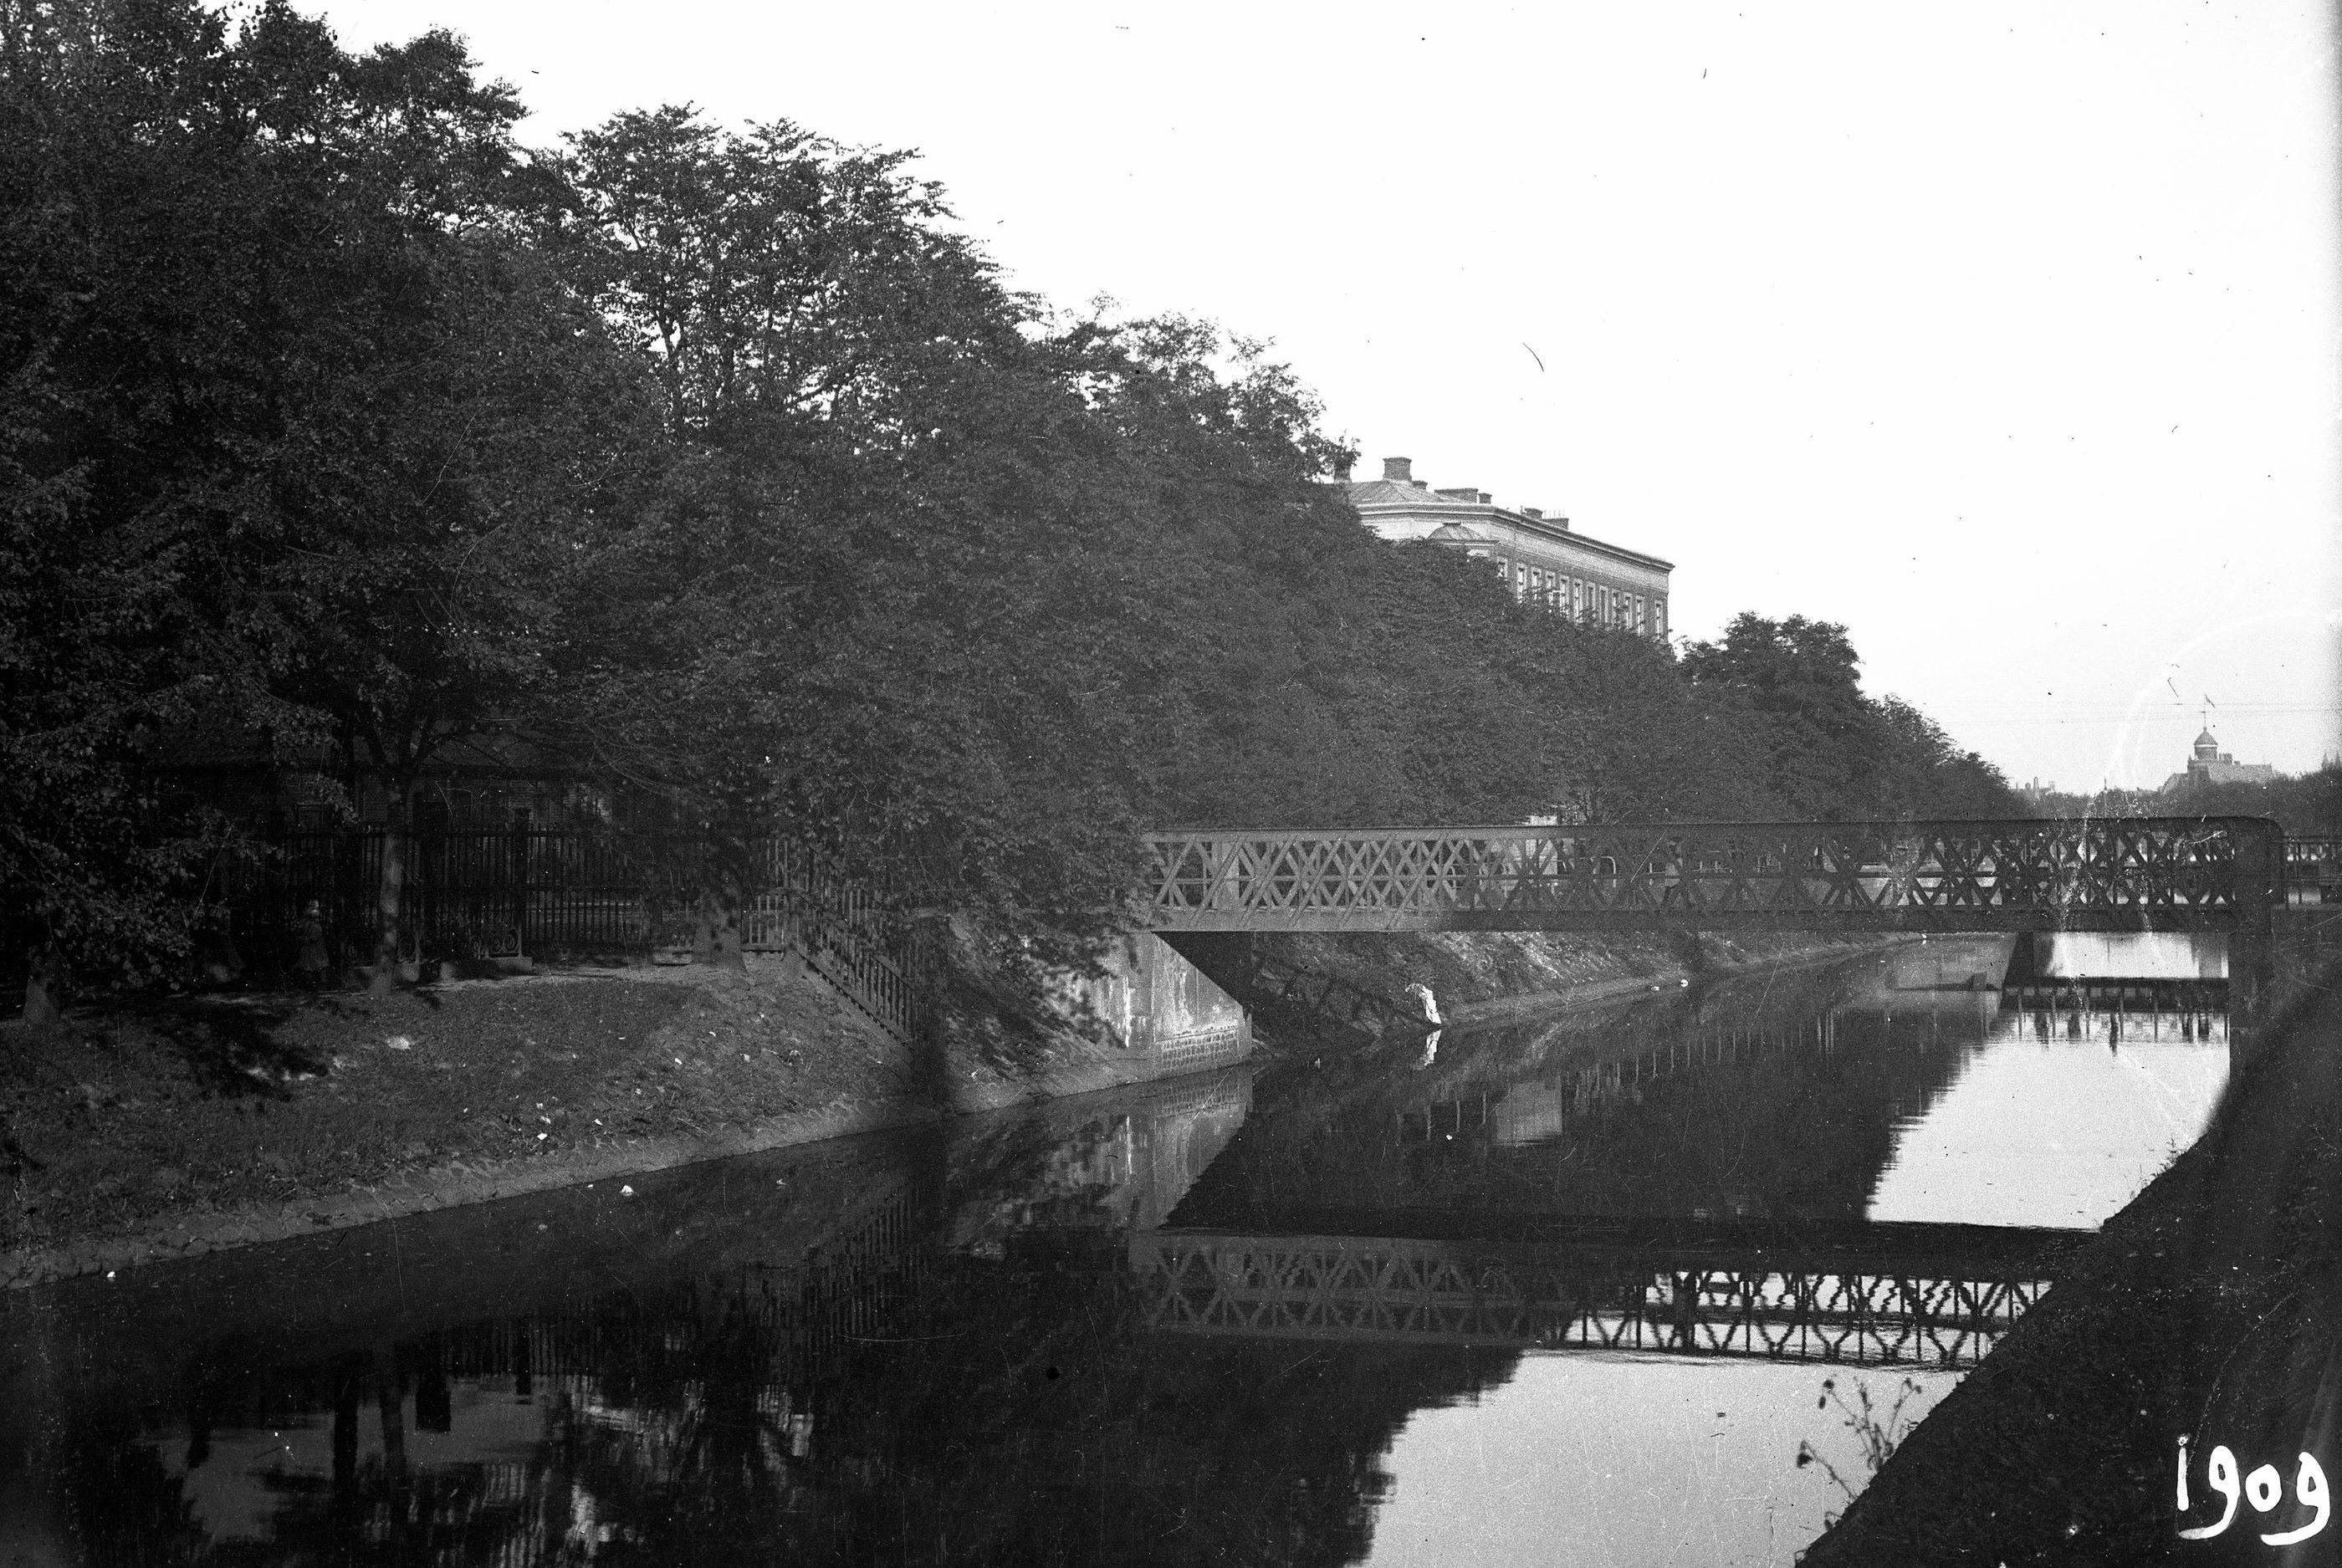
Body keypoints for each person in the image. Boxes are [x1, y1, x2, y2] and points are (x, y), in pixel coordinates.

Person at [294, 901, 330, 990]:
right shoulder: (309, 924)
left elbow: (313, 938)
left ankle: (321, 984)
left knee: (320, 965)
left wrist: (306, 939)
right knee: (310, 965)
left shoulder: (315, 926)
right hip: (311, 949)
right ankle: (311, 984)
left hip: (316, 948)